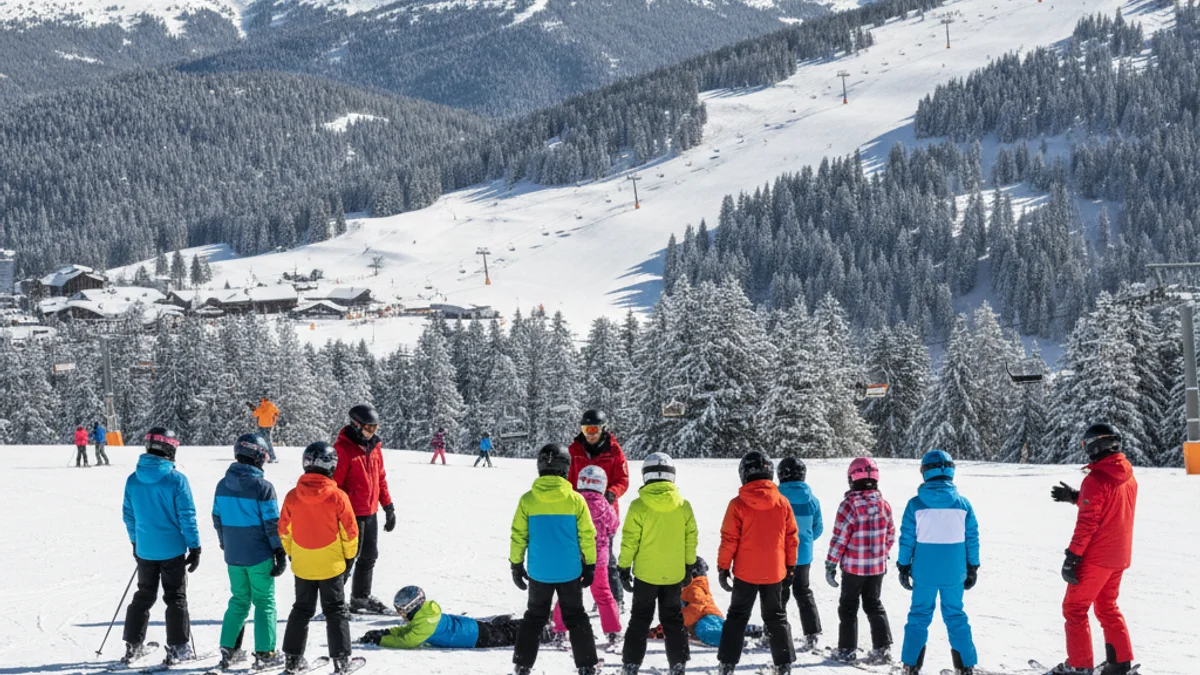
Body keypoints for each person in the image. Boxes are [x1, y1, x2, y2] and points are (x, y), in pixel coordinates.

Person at [1046, 423, 1138, 675]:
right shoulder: (1127, 475)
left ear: (1096, 446)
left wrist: (1072, 556)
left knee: (1074, 608)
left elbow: (1088, 522)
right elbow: (1109, 505)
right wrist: (1077, 497)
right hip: (1119, 555)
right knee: (1107, 606)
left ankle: (1079, 666)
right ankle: (1120, 664)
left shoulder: (1096, 479)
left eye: (1086, 445)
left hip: (1097, 556)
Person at [509, 443, 599, 675]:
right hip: (570, 571)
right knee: (576, 617)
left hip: (539, 572)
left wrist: (516, 564)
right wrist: (590, 564)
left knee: (534, 617)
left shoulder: (528, 500)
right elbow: (587, 535)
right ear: (565, 469)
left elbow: (519, 535)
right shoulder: (575, 500)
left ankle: (522, 665)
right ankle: (587, 665)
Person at [121, 427, 202, 666]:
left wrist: (135, 541)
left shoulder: (133, 479)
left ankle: (133, 646)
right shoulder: (176, 479)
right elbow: (186, 516)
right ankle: (178, 648)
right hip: (172, 550)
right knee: (175, 597)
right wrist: (195, 547)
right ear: (170, 448)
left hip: (145, 549)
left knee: (143, 595)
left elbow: (129, 516)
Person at [896, 450, 980, 675]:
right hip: (955, 572)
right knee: (955, 615)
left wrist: (903, 565)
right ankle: (965, 666)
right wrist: (972, 566)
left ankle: (911, 665)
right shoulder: (963, 504)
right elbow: (972, 538)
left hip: (924, 573)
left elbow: (907, 538)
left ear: (925, 472)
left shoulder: (915, 505)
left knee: (919, 616)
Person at [279, 441, 360, 674]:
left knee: (301, 609)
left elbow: (284, 531)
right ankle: (341, 661)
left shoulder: (292, 496)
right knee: (335, 610)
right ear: (332, 466)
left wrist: (293, 554)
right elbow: (350, 533)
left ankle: (293, 661)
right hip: (331, 565)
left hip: (303, 565)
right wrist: (348, 558)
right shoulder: (338, 496)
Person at [715, 452, 798, 675]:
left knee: (737, 616)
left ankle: (727, 664)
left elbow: (729, 539)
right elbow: (792, 538)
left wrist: (723, 567)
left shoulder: (737, 504)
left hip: (746, 573)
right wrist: (790, 566)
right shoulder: (782, 503)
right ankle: (784, 664)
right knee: (776, 616)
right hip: (774, 572)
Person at [617, 453, 698, 675]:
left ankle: (631, 664)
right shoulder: (683, 506)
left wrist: (623, 567)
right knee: (673, 620)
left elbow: (630, 541)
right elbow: (690, 539)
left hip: (646, 575)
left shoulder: (638, 506)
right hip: (673, 575)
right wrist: (689, 565)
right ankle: (678, 664)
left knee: (640, 619)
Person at [213, 434, 288, 671]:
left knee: (239, 600)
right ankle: (265, 653)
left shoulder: (222, 484)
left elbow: (217, 518)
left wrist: (225, 543)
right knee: (264, 601)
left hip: (234, 556)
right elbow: (271, 523)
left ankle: (229, 649)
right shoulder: (262, 487)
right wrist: (279, 550)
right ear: (259, 457)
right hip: (258, 555)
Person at [826, 457, 896, 666]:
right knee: (874, 604)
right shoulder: (884, 505)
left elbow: (840, 538)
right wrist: (881, 553)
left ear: (852, 479)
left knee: (848, 607)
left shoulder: (849, 505)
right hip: (877, 568)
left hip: (853, 568)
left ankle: (847, 649)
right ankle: (882, 648)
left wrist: (831, 563)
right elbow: (891, 534)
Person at [333, 404, 396, 614]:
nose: (372, 432)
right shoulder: (343, 449)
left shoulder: (374, 448)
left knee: (369, 555)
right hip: (350, 514)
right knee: (347, 559)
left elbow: (380, 478)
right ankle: (334, 602)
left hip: (370, 512)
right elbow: (335, 485)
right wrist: (338, 513)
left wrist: (388, 506)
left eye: (375, 428)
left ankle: (360, 598)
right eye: (369, 428)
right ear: (356, 425)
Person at [551, 466, 622, 649]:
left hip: (574, 558)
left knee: (568, 593)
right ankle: (613, 633)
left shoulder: (572, 501)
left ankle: (559, 631)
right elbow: (613, 526)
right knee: (603, 594)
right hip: (598, 560)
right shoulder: (604, 505)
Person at [567, 410, 630, 608]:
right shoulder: (575, 450)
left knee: (606, 557)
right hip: (580, 511)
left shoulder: (614, 451)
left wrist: (612, 492)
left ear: (603, 429)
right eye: (586, 429)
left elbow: (623, 479)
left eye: (594, 429)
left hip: (604, 513)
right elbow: (568, 478)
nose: (590, 434)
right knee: (579, 556)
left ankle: (614, 598)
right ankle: (575, 599)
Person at [357, 586, 556, 650]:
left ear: (412, 608)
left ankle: (548, 633)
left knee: (511, 636)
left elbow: (408, 640)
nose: (400, 614)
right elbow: (408, 631)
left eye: (401, 610)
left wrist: (381, 640)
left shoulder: (424, 624)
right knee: (506, 629)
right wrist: (386, 631)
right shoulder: (426, 613)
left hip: (475, 637)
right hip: (471, 627)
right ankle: (541, 621)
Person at [646, 557, 764, 648]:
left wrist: (669, 626)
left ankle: (733, 639)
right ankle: (751, 630)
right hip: (708, 618)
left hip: (705, 619)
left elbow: (696, 609)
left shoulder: (694, 589)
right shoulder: (691, 588)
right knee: (723, 628)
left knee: (706, 632)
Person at [776, 456, 823, 651]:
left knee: (779, 593)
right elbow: (817, 528)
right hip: (803, 556)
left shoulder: (776, 499)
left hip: (781, 556)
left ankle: (776, 632)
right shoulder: (812, 500)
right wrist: (806, 542)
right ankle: (812, 633)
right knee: (803, 592)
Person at [246, 398, 280, 462]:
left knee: (259, 440)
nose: (260, 403)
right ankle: (268, 456)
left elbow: (255, 414)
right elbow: (277, 412)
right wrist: (273, 421)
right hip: (269, 426)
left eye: (260, 401)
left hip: (262, 426)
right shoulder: (272, 405)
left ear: (263, 401)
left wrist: (252, 407)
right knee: (265, 440)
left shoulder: (263, 406)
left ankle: (271, 457)